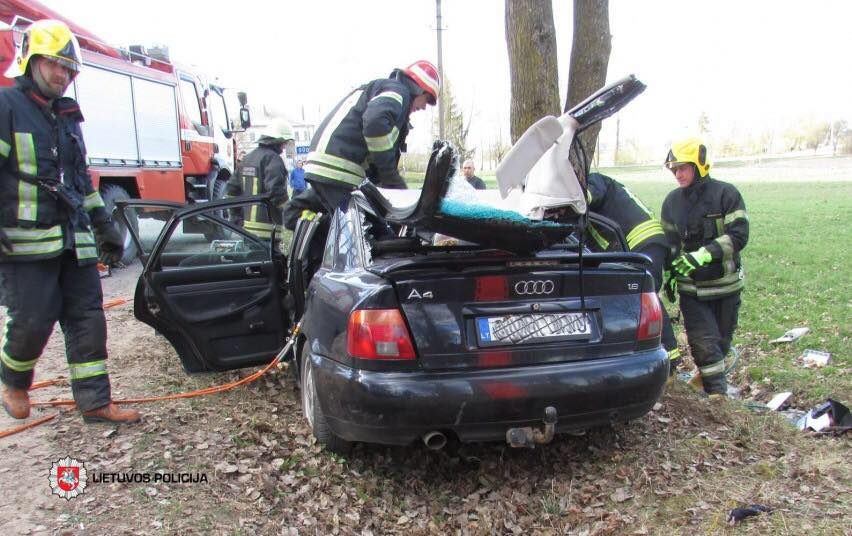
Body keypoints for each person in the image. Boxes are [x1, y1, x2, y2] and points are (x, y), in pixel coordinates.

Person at [0, 20, 140, 423]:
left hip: (72, 239)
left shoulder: (67, 117)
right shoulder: (7, 108)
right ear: (32, 61)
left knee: (88, 320)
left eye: (68, 69)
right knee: (33, 317)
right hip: (24, 243)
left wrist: (104, 225)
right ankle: (13, 381)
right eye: (55, 66)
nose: (63, 76)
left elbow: (80, 181)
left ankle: (95, 402)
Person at [661, 137, 749, 398]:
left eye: (683, 168)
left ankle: (709, 383)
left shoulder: (727, 194)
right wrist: (670, 273)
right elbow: (671, 244)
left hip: (726, 287)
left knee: (721, 343)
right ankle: (718, 397)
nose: (678, 174)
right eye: (674, 169)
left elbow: (739, 235)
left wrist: (703, 255)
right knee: (703, 343)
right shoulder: (671, 203)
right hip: (693, 291)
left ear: (700, 165)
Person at [302, 60, 440, 213]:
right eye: (426, 100)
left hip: (325, 166)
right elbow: (375, 123)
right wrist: (390, 177)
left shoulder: (382, 89)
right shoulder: (398, 92)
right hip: (339, 169)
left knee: (344, 227)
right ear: (418, 89)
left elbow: (372, 144)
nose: (423, 107)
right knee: (374, 231)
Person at [584, 173, 679, 373]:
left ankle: (670, 361)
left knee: (645, 296)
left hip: (642, 241)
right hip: (633, 247)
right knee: (642, 298)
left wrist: (573, 199)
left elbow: (592, 194)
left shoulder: (595, 180)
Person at [226, 120, 294, 239]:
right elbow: (276, 192)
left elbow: (231, 190)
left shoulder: (247, 159)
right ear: (276, 141)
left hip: (247, 231)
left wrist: (236, 217)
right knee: (276, 257)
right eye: (283, 143)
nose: (284, 147)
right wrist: (291, 211)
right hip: (268, 231)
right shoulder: (272, 159)